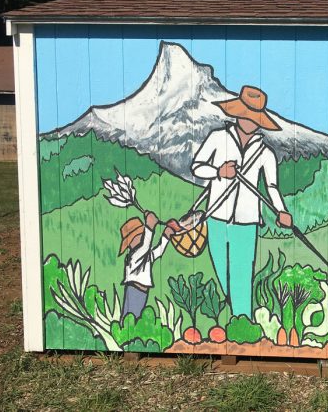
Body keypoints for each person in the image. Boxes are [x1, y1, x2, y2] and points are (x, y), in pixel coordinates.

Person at [191, 85, 293, 317]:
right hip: (216, 216)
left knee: (242, 274)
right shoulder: (218, 138)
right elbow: (197, 167)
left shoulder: (265, 153)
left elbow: (272, 187)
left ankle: (242, 322)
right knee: (221, 271)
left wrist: (281, 211)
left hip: (247, 221)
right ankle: (236, 312)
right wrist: (219, 172)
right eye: (245, 114)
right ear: (236, 113)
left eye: (254, 117)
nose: (248, 121)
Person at [119, 211, 174, 319]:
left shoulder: (144, 255)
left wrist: (167, 234)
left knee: (133, 318)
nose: (140, 238)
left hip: (141, 292)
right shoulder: (135, 255)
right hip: (134, 290)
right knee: (130, 318)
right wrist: (150, 225)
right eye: (138, 237)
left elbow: (158, 251)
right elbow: (145, 245)